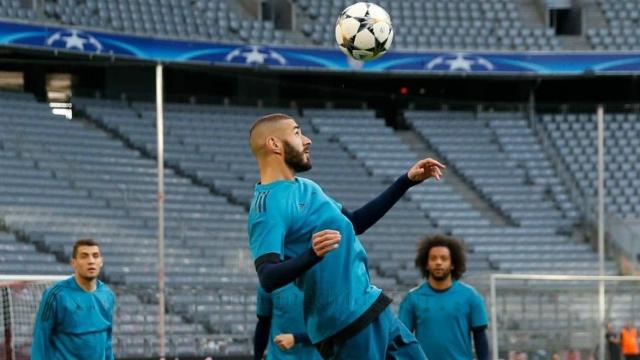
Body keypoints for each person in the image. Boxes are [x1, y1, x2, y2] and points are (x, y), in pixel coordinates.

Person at [247, 113, 445, 359]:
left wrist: (405, 181)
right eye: (297, 133)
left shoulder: (309, 188)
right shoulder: (267, 206)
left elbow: (355, 223)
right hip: (344, 324)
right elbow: (268, 276)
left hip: (371, 305)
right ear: (274, 144)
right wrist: (312, 255)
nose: (307, 140)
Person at [398, 235, 490, 360]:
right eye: (433, 258)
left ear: (452, 264)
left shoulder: (471, 296)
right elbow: (402, 340)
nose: (438, 262)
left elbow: (480, 339)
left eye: (444, 258)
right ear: (426, 264)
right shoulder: (412, 298)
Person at [32, 238, 116, 360]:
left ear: (101, 262)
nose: (91, 261)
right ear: (73, 263)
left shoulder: (108, 295)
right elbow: (41, 338)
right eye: (84, 256)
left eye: (95, 256)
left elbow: (107, 341)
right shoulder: (55, 295)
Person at [254, 283, 322, 359]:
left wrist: (296, 338)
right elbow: (263, 324)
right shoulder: (269, 281)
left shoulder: (322, 282)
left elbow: (329, 330)